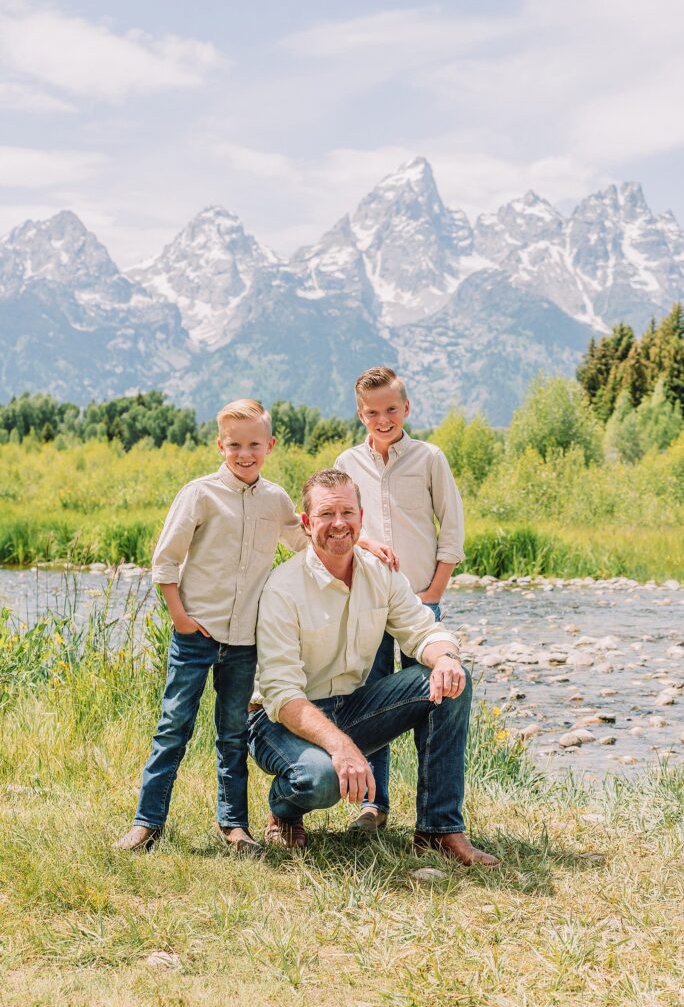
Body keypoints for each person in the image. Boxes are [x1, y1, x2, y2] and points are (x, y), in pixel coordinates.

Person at [248, 469, 499, 866]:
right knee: (320, 780)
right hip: (278, 721)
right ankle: (284, 809)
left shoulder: (379, 573)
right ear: (307, 522)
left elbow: (421, 630)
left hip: (350, 708)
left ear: (362, 518)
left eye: (348, 512)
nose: (339, 524)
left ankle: (438, 830)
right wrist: (341, 746)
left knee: (453, 681)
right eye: (327, 514)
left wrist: (446, 658)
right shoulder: (283, 588)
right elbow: (282, 694)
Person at [114, 399, 308, 854]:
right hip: (196, 635)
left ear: (270, 445)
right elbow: (165, 560)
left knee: (233, 735)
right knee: (173, 727)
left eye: (254, 444)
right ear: (220, 444)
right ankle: (147, 822)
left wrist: (361, 544)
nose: (245, 453)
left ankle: (234, 826)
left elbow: (304, 543)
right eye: (235, 445)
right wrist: (180, 617)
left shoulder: (275, 499)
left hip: (244, 640)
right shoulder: (200, 493)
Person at [334, 366, 464, 833]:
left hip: (420, 603)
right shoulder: (347, 463)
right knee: (373, 702)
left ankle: (433, 817)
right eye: (372, 412)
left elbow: (451, 530)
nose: (382, 419)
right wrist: (365, 545)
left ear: (406, 409)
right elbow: (344, 525)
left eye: (391, 409)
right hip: (366, 600)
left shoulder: (430, 458)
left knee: (434, 699)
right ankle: (374, 804)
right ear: (360, 414)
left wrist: (434, 592)